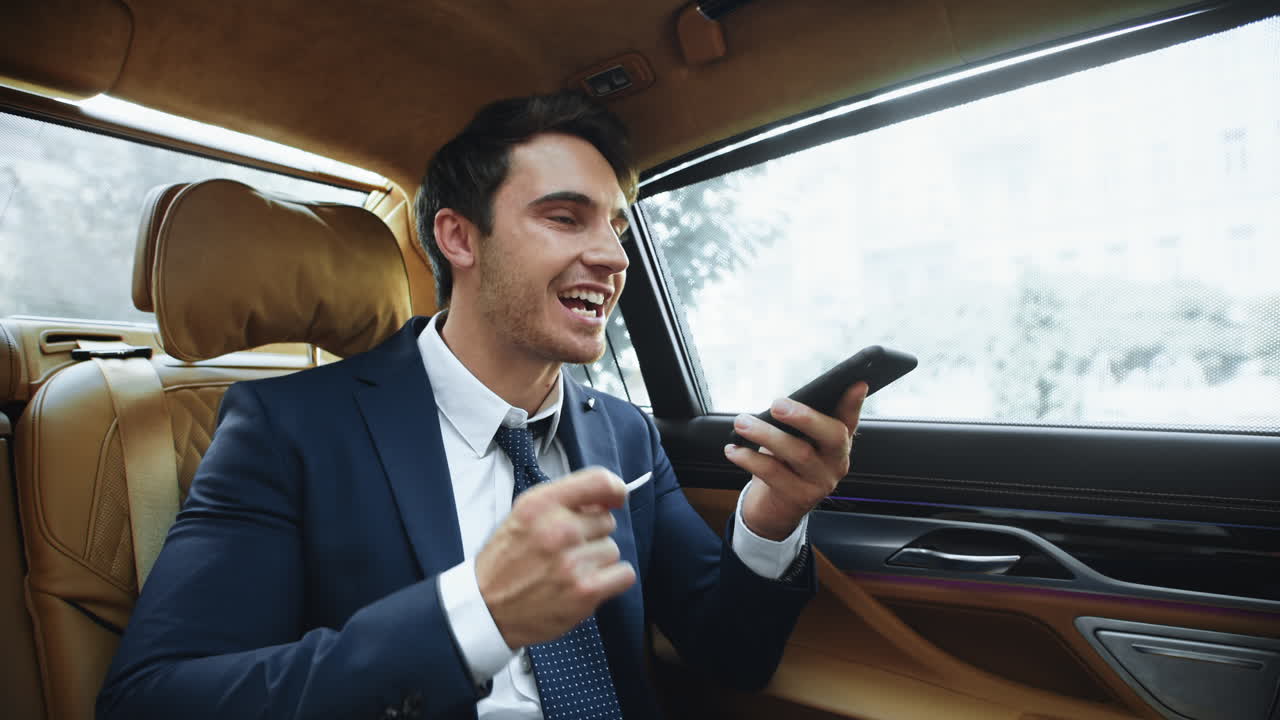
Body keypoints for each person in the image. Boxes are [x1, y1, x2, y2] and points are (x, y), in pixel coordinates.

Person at [97, 91, 867, 720]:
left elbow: (732, 657)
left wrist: (770, 520)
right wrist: (473, 617)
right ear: (460, 238)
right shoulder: (288, 429)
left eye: (616, 226)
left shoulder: (625, 433)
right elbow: (152, 700)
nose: (613, 256)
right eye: (565, 217)